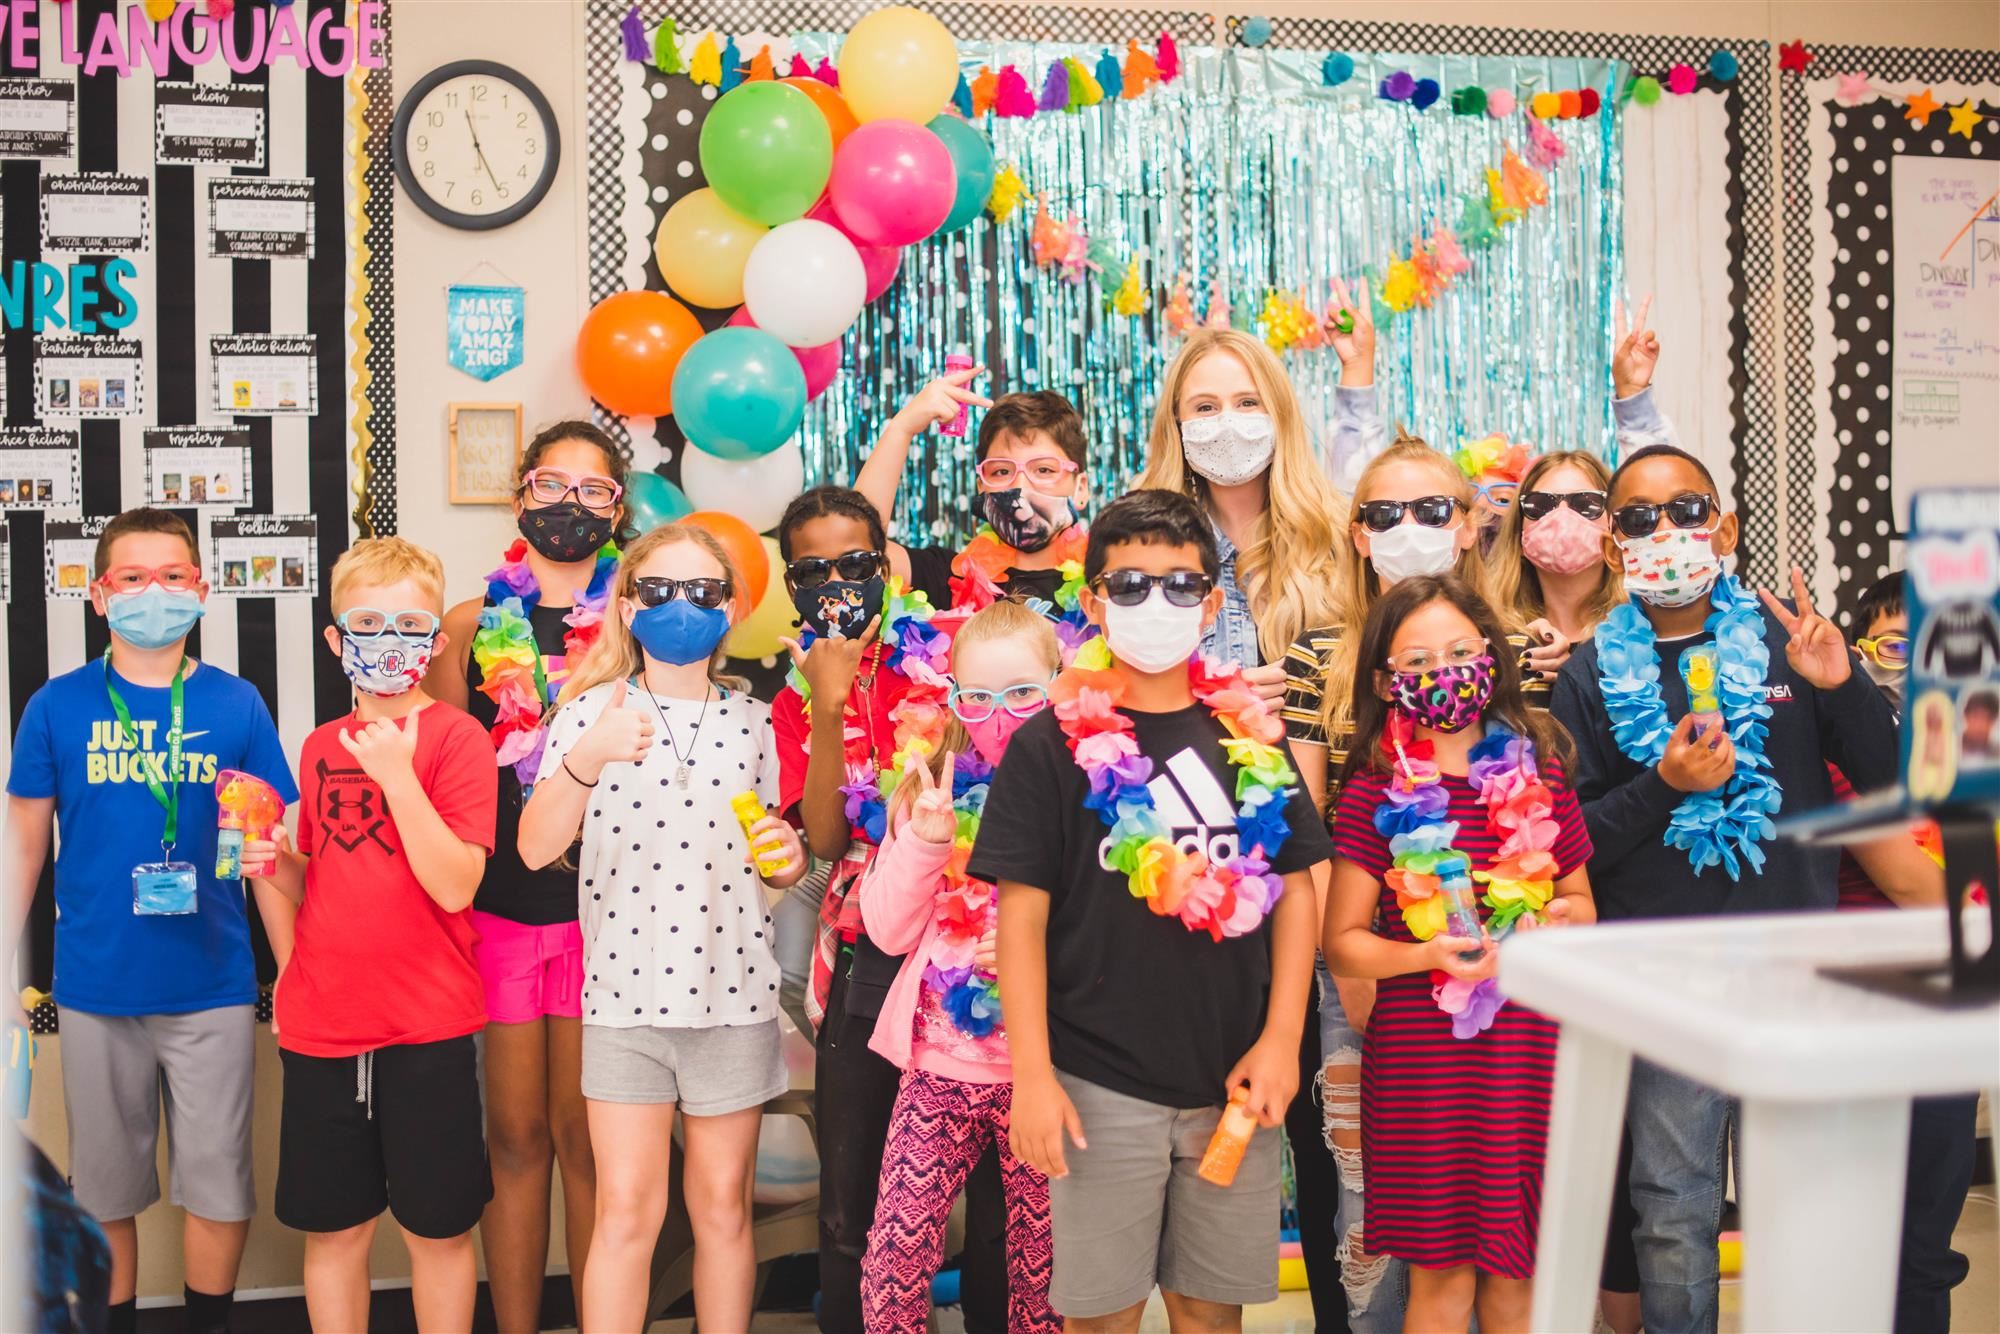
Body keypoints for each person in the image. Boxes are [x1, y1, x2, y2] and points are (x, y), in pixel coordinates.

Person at [1550, 444, 1901, 1334]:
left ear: (1724, 526)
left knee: (1813, 1206)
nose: (1664, 532)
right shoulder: (1589, 675)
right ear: (1614, 548)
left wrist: (1845, 685)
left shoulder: (1792, 642)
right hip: (1669, 980)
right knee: (1673, 1212)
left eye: (1685, 510)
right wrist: (1665, 784)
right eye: (1637, 519)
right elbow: (1569, 842)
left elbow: (1895, 779)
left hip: (1800, 973)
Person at [974, 489, 1333, 1332]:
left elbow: (1295, 892)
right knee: (1104, 1315)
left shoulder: (1251, 736)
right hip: (1100, 1080)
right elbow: (1018, 923)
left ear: (1213, 602)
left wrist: (1283, 1038)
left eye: (1180, 585)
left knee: (1211, 1313)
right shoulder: (1048, 746)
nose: (1155, 604)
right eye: (1129, 585)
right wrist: (1032, 1077)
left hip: (1232, 1077)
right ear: (1093, 601)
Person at [3, 508, 297, 1334]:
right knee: (105, 1189)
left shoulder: (235, 704)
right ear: (100, 596)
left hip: (212, 986)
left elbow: (270, 845)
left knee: (217, 1182)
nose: (152, 593)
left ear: (201, 590)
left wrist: (298, 970)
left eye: (171, 575)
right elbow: (23, 850)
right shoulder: (55, 707)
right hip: (98, 986)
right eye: (131, 578)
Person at [517, 522, 808, 1332]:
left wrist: (786, 856)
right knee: (626, 1213)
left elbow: (779, 869)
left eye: (702, 591)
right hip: (622, 1005)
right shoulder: (584, 715)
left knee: (722, 1210)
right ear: (627, 602)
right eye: (661, 590)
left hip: (733, 1001)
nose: (681, 605)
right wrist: (588, 757)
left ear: (731, 607)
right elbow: (537, 847)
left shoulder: (756, 726)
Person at [1324, 573, 1595, 1333]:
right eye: (1416, 662)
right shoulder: (1375, 789)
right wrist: (1429, 956)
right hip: (1425, 1062)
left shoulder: (1537, 766)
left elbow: (1581, 903)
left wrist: (1541, 928)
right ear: (1385, 681)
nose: (1441, 672)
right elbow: (1342, 944)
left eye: (1458, 651)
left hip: (1528, 1050)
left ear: (1490, 656)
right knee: (1441, 1285)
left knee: (1518, 1279)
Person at [770, 485, 1010, 1333]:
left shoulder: (950, 649)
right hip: (869, 939)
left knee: (1002, 1202)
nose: (839, 582)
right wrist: (828, 698)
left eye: (858, 564)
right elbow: (829, 836)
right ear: (791, 580)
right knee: (857, 1191)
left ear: (889, 563)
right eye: (815, 569)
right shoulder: (796, 693)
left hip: (971, 933)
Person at [252, 537, 498, 1333]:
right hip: (326, 1026)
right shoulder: (321, 746)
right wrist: (274, 862)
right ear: (336, 640)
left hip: (427, 1020)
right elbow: (325, 874)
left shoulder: (460, 740)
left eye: (408, 625)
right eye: (367, 623)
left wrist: (397, 775)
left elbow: (456, 882)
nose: (387, 641)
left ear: (434, 643)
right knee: (335, 1228)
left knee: (439, 1228)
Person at [431, 421, 621, 1333]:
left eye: (594, 491)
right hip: (502, 913)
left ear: (617, 509)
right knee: (514, 1139)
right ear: (520, 498)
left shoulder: (641, 618)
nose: (570, 506)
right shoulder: (470, 627)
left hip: (607, 916)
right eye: (553, 485)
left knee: (588, 1142)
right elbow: (440, 772)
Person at [857, 600, 1062, 1333]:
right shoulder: (928, 787)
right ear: (952, 699)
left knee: (1047, 1276)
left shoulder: (1088, 794)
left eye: (1021, 695)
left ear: (1059, 689)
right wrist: (927, 841)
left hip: (1044, 1073)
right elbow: (881, 929)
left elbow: (1108, 932)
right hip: (938, 1067)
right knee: (893, 1263)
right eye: (976, 697)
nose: (997, 714)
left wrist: (1030, 952)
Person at [1134, 325, 1361, 703]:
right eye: (1205, 407)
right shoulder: (1142, 543)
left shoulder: (1333, 534)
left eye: (1248, 403)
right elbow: (1119, 683)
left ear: (1279, 413)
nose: (1227, 422)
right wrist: (1207, 699)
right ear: (1177, 422)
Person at [856, 380, 1089, 622]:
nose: (1020, 487)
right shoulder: (950, 576)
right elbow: (855, 549)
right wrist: (901, 429)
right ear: (982, 487)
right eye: (1001, 471)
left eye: (1043, 470)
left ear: (1081, 488)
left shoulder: (1108, 582)